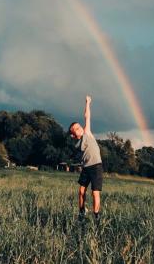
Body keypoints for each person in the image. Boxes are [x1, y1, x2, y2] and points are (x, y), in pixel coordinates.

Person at [69, 95, 103, 223]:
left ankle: (96, 216)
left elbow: (87, 117)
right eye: (76, 129)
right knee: (81, 190)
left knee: (95, 192)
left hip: (96, 166)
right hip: (86, 168)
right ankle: (82, 212)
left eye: (79, 126)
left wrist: (87, 103)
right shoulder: (77, 144)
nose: (80, 128)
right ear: (73, 135)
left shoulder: (87, 132)